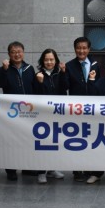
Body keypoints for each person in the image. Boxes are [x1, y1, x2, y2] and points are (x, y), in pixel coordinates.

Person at [0, 41, 35, 181]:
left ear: (23, 53)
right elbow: (0, 84)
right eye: (13, 52)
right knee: (11, 140)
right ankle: (11, 170)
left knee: (27, 139)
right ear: (9, 54)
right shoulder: (2, 69)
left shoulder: (30, 68)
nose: (17, 54)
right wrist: (5, 70)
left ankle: (26, 167)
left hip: (28, 111)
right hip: (11, 111)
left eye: (19, 51)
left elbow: (34, 87)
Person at [65, 36, 101, 182]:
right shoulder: (69, 66)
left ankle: (88, 168)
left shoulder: (95, 64)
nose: (81, 51)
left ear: (89, 49)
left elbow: (99, 84)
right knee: (77, 139)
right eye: (79, 48)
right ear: (75, 49)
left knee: (91, 138)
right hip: (76, 108)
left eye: (84, 48)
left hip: (92, 108)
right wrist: (63, 73)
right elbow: (65, 86)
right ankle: (77, 170)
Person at [33, 48, 67, 184]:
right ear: (42, 61)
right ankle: (41, 172)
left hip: (57, 113)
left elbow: (65, 89)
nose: (49, 62)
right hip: (42, 115)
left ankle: (52, 169)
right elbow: (36, 95)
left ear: (56, 61)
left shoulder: (59, 74)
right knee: (43, 143)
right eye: (46, 60)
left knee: (55, 142)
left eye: (51, 59)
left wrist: (63, 73)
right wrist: (40, 82)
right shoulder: (38, 75)